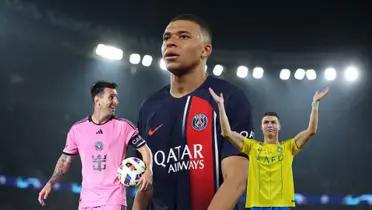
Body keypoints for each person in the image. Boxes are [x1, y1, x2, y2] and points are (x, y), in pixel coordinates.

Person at [132, 14, 254, 210]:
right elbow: (144, 187)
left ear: (206, 50)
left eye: (183, 36)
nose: (171, 42)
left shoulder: (228, 98)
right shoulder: (149, 108)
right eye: (166, 38)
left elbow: (236, 180)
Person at [209, 86, 330, 209]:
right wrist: (220, 105)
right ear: (261, 127)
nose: (269, 125)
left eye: (273, 122)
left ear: (279, 126)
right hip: (257, 205)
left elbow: (311, 131)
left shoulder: (289, 147)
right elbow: (227, 133)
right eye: (266, 122)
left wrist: (315, 104)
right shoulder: (252, 147)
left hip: (282, 205)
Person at [38, 81, 153, 210]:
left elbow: (145, 150)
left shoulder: (124, 126)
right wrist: (50, 183)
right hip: (86, 203)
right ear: (97, 100)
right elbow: (65, 161)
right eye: (111, 97)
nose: (116, 102)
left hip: (113, 201)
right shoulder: (77, 130)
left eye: (116, 98)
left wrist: (148, 170)